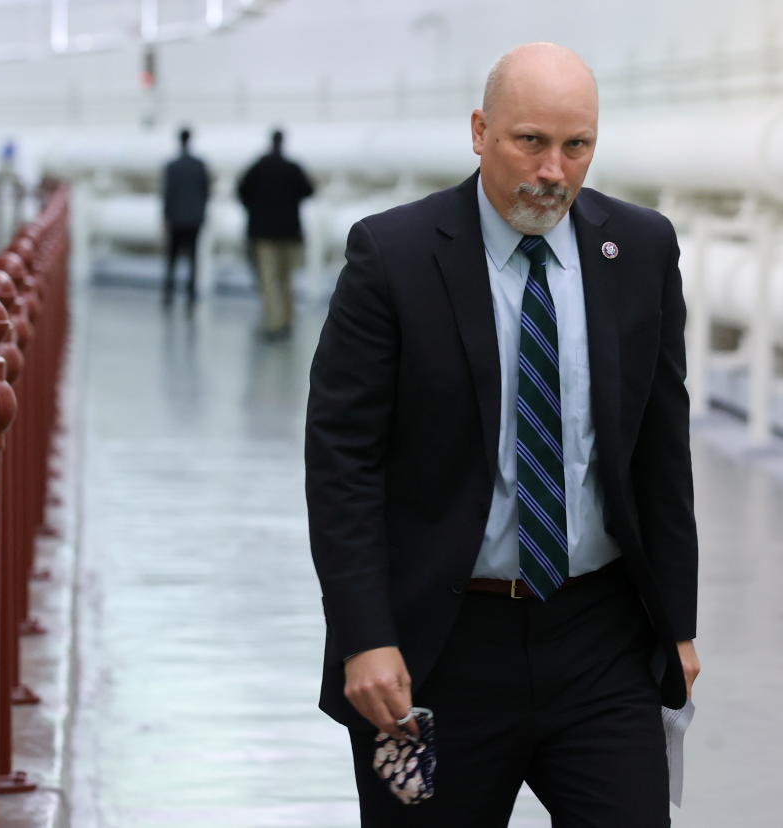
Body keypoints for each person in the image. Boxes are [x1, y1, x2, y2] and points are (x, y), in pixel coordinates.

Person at [305, 42, 700, 827]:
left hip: (601, 641)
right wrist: (365, 637)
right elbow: (342, 459)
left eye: (576, 145)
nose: (554, 169)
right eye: (531, 141)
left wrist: (678, 627)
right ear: (481, 130)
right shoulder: (394, 256)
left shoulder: (640, 248)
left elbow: (662, 451)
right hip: (439, 652)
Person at [236, 128, 315, 340]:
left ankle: (273, 324)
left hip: (264, 234)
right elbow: (309, 190)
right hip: (290, 232)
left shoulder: (258, 167)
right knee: (286, 279)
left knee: (269, 279)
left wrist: (256, 209)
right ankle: (288, 321)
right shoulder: (292, 168)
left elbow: (241, 191)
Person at [161, 126, 210, 307]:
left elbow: (168, 194)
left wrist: (165, 217)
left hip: (175, 219)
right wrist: (202, 214)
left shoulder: (172, 166)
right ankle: (191, 293)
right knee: (193, 258)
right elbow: (205, 192)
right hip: (193, 219)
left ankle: (169, 292)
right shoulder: (199, 165)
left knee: (172, 258)